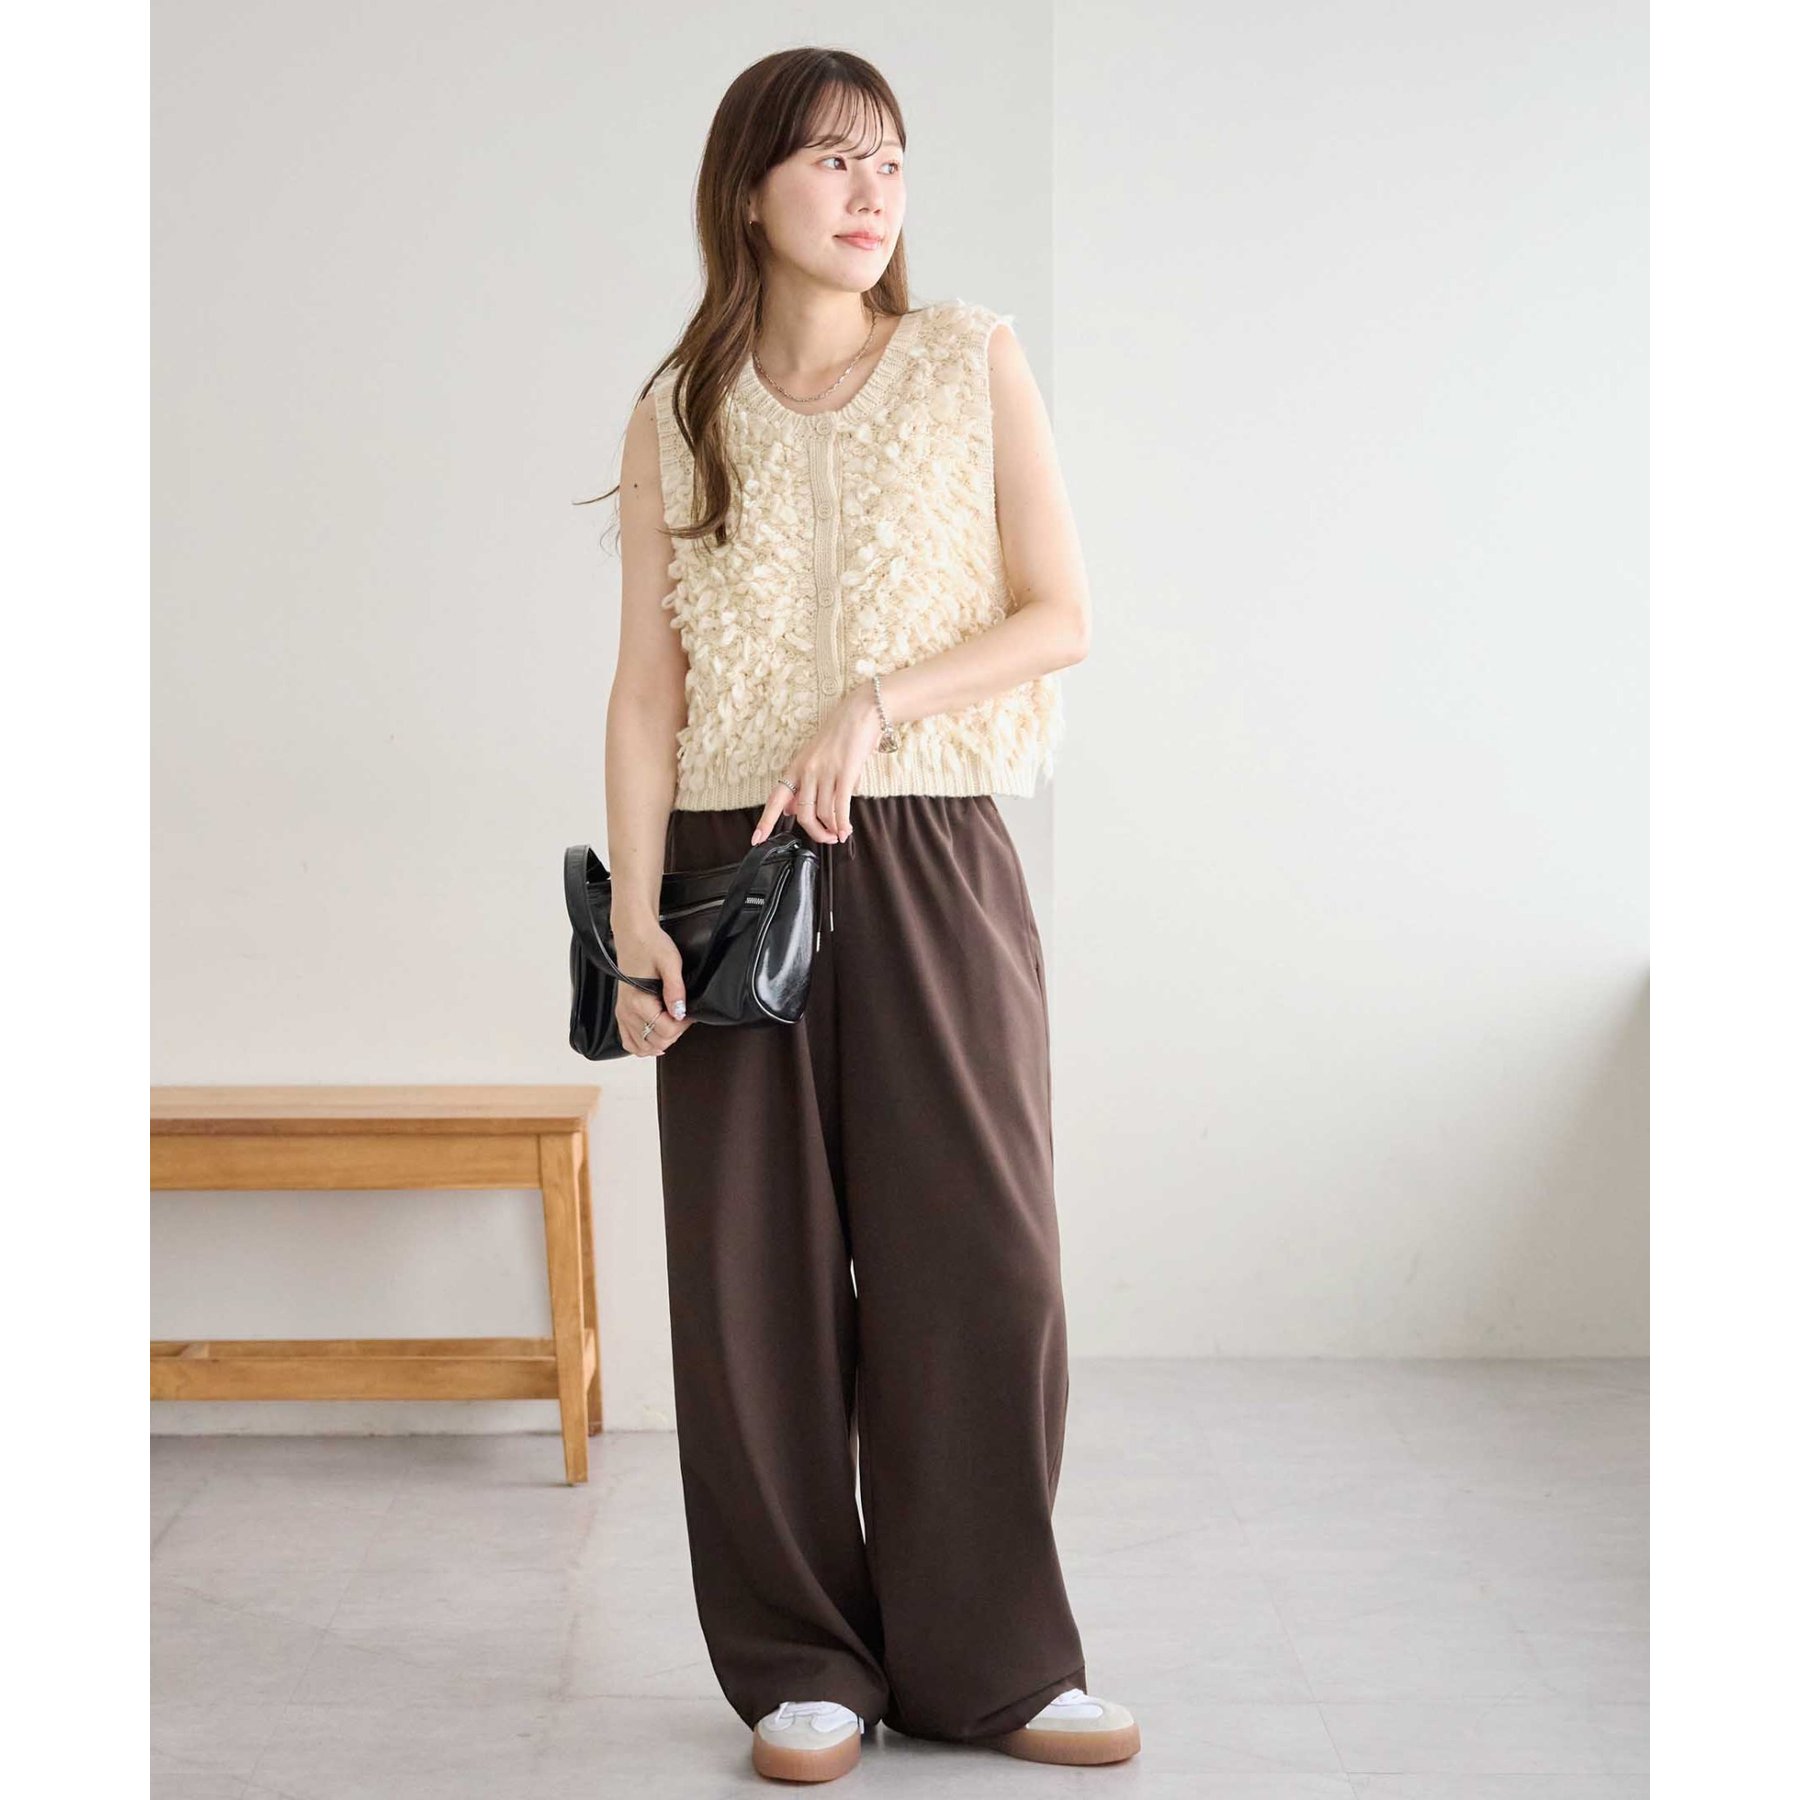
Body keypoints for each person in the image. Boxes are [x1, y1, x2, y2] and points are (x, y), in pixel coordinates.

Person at [590, 46, 1139, 1783]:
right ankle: (801, 1666)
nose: (870, 190)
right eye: (832, 159)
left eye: (889, 159)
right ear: (750, 187)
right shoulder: (678, 411)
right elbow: (645, 692)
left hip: (930, 849)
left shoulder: (970, 360)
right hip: (724, 871)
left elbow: (1060, 614)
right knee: (750, 1278)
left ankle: (992, 1661)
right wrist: (633, 917)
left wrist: (877, 703)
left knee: (982, 1258)